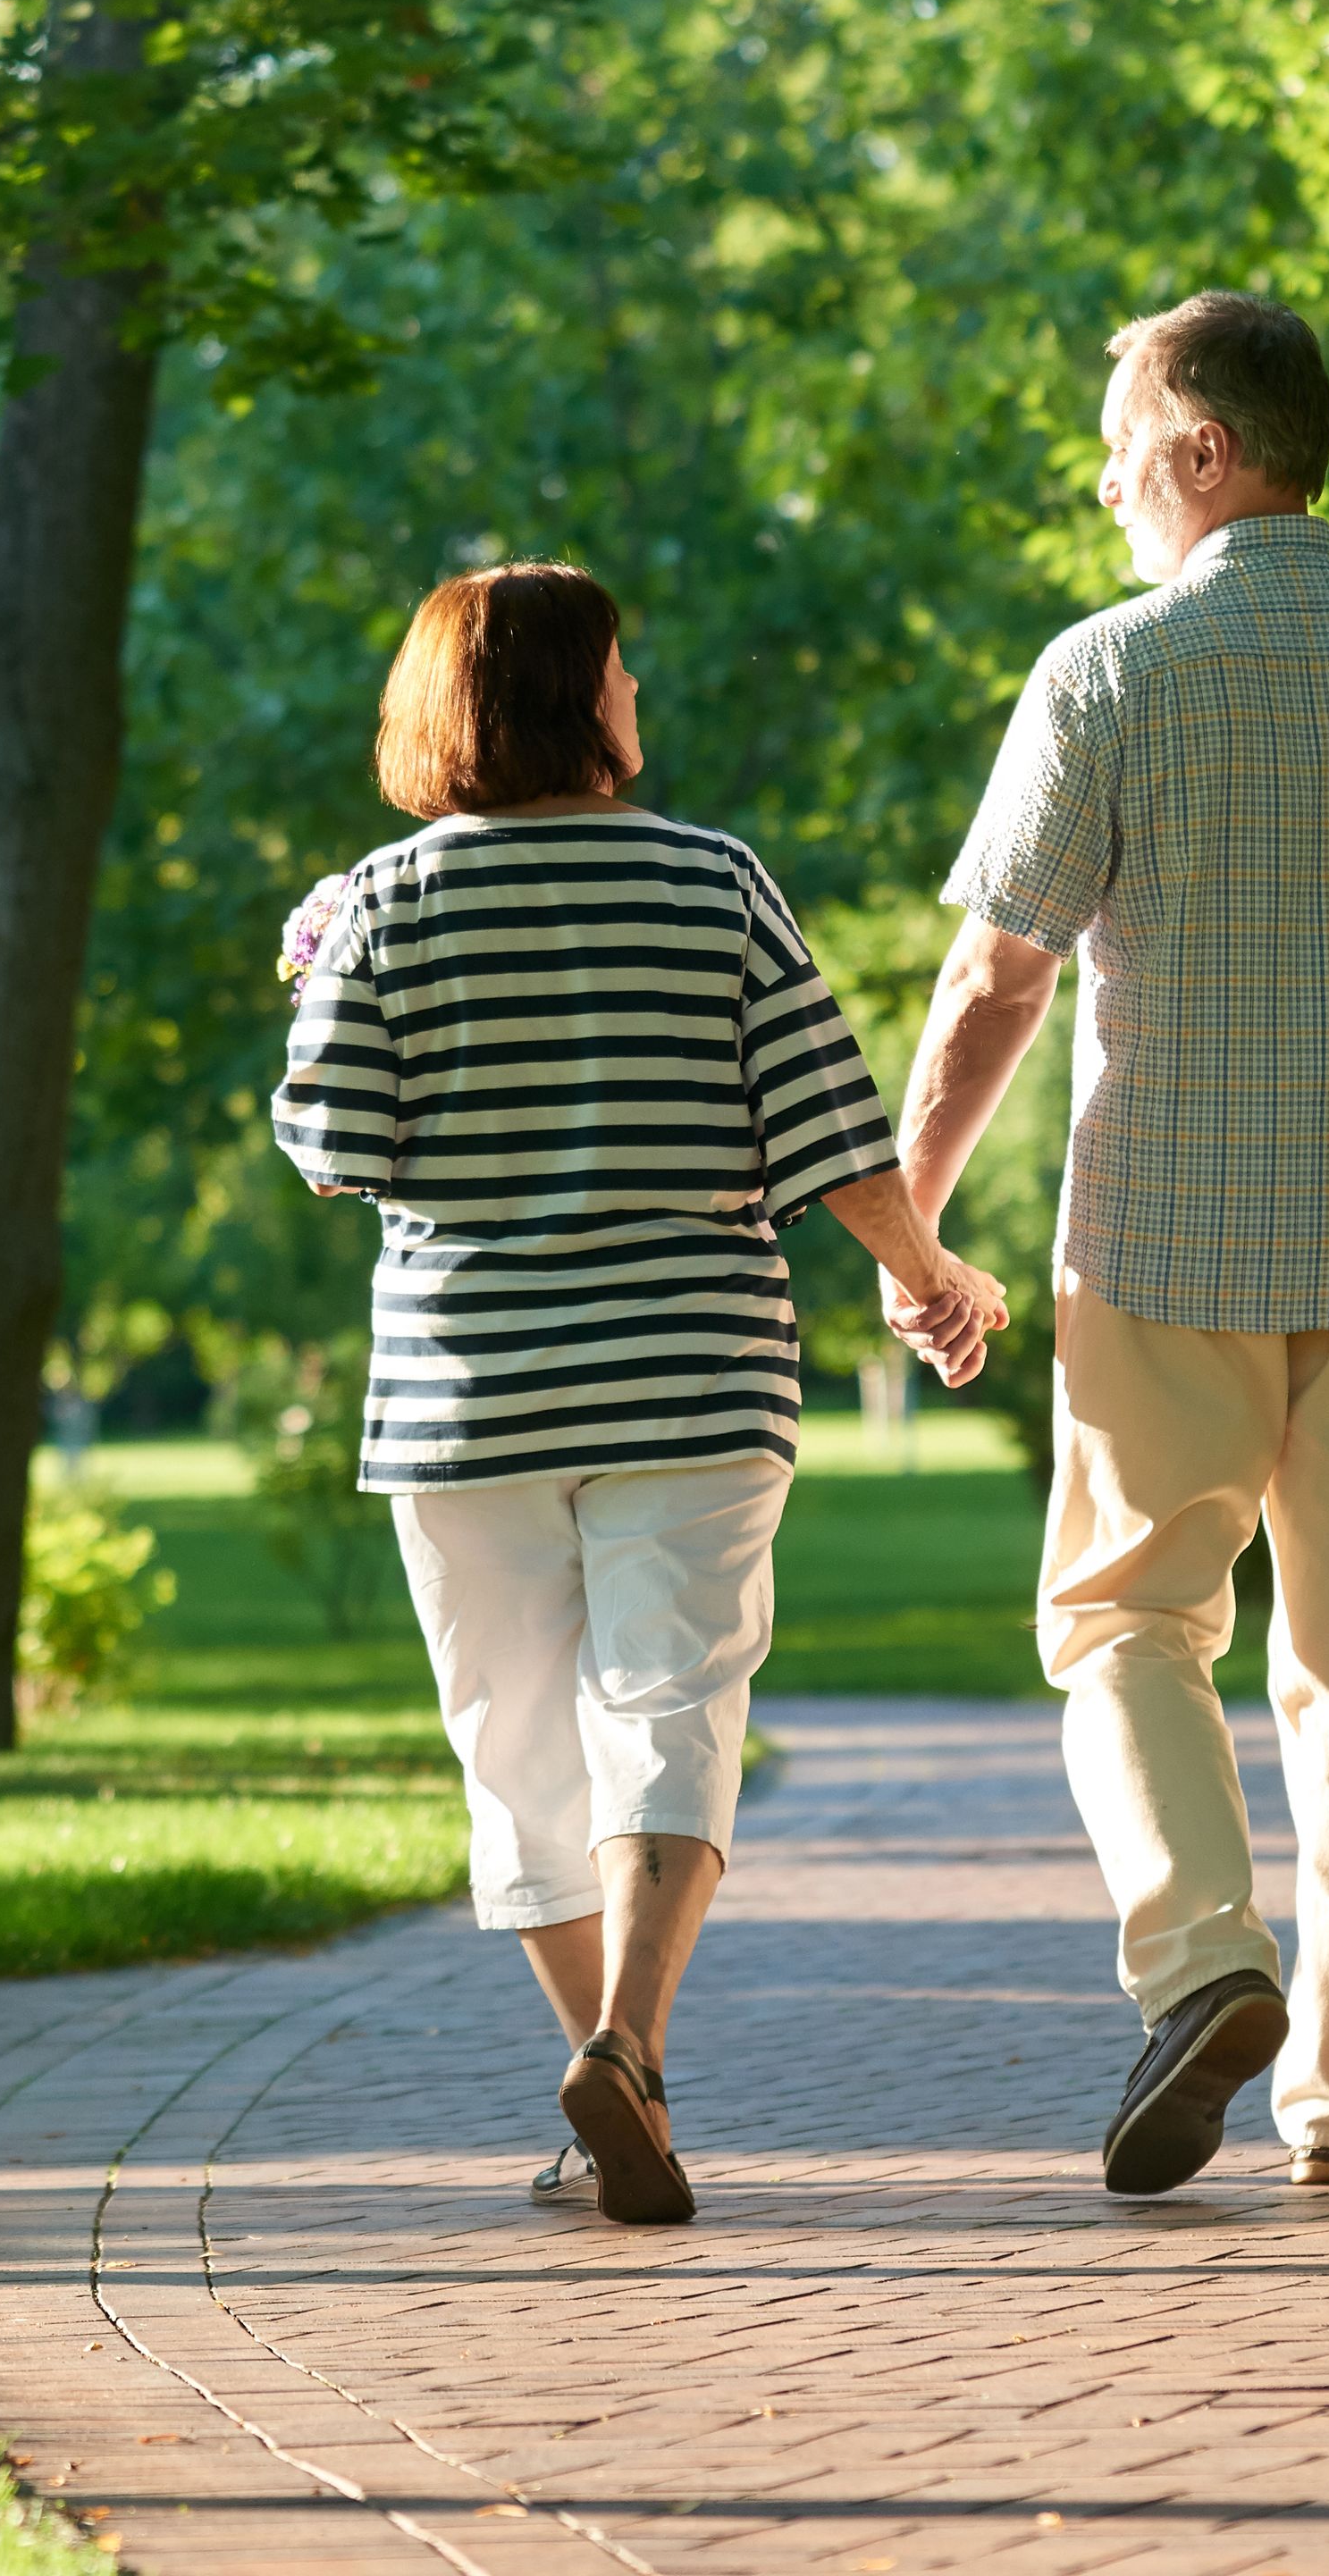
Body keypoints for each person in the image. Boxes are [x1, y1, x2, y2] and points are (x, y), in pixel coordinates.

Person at [894, 291, 1329, 2197]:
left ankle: (1203, 1958)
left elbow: (995, 982)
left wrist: (913, 1214)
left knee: (1121, 1622)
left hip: (1167, 1239)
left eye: (1123, 447)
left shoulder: (1103, 677)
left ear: (1206, 448)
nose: (1108, 484)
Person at [272, 560, 1006, 2226]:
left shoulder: (383, 900)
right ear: (566, 697)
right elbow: (826, 1124)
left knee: (516, 1749)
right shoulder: (712, 881)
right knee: (670, 1707)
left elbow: (335, 1151)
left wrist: (315, 979)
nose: (635, 697)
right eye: (619, 672)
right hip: (690, 1370)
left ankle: (620, 2081)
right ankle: (632, 2043)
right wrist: (924, 1273)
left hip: (467, 1396)